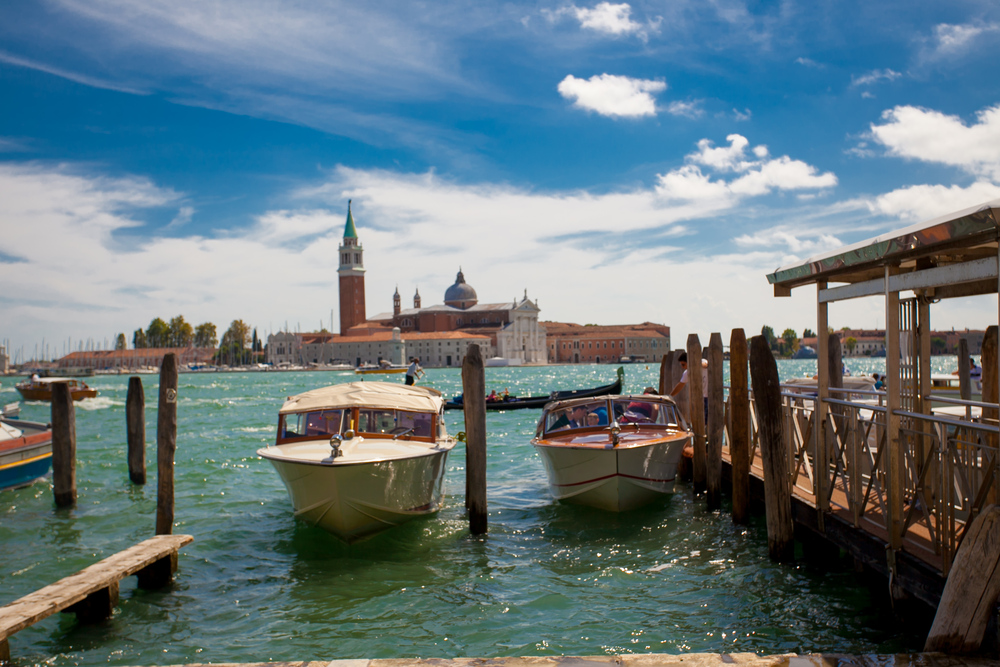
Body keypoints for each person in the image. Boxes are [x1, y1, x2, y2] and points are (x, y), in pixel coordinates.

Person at [670, 353, 709, 420]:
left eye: (683, 364)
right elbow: (680, 385)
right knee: (702, 419)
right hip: (700, 398)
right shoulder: (687, 373)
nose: (682, 367)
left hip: (710, 396)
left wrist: (694, 364)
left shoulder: (702, 361)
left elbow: (706, 365)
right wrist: (670, 396)